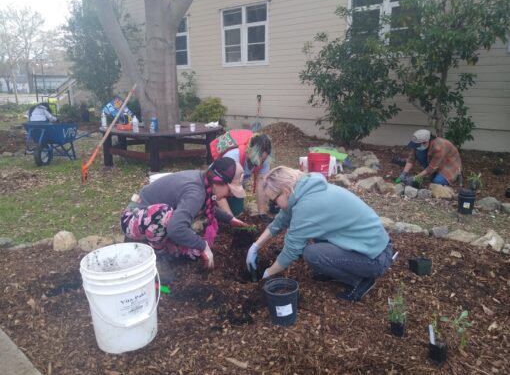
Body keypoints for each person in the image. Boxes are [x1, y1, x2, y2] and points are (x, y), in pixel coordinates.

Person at [245, 166, 393, 302]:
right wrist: (255, 246)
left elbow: (291, 251)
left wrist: (267, 275)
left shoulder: (308, 205)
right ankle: (334, 270)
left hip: (375, 258)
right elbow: (280, 221)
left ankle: (360, 281)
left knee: (312, 253)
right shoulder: (304, 190)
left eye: (274, 200)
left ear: (286, 191)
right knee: (314, 241)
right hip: (369, 246)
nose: (274, 205)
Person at [121, 157, 249, 283]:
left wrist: (230, 219)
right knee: (163, 214)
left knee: (193, 253)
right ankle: (157, 257)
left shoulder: (204, 182)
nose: (231, 195)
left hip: (151, 224)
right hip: (133, 220)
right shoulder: (196, 192)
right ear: (218, 181)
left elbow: (205, 207)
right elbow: (175, 228)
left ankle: (160, 246)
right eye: (230, 190)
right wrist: (203, 246)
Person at [209, 129, 273, 221]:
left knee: (237, 212)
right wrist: (231, 219)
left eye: (263, 159)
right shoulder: (232, 158)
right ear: (249, 150)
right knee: (218, 213)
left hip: (235, 186)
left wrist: (262, 213)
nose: (260, 163)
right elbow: (218, 187)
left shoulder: (264, 159)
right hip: (215, 185)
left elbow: (261, 184)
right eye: (258, 159)